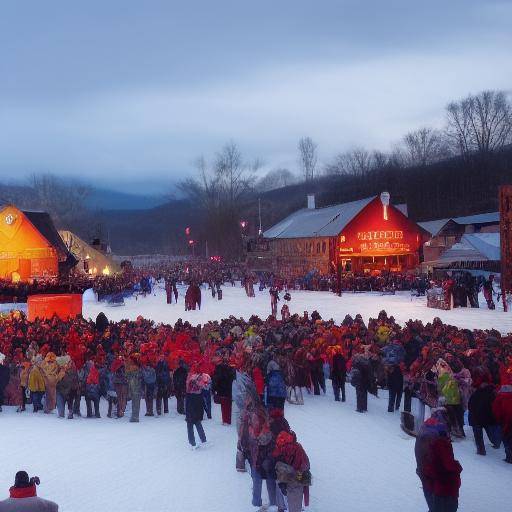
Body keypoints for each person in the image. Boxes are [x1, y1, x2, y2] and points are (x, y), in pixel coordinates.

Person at [414, 413, 462, 512]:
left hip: (427, 482)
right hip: (442, 488)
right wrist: (457, 467)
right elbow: (448, 467)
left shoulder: (422, 439)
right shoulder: (440, 443)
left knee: (433, 507)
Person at [273, 430, 311, 512]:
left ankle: (282, 508)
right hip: (299, 477)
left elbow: (279, 467)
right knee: (295, 503)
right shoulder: (298, 446)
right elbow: (306, 464)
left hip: (290, 478)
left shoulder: (281, 448)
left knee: (288, 495)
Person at [185, 365, 208, 449]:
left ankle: (193, 442)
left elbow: (203, 386)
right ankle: (201, 440)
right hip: (195, 398)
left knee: (191, 421)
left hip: (191, 399)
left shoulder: (191, 376)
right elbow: (205, 386)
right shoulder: (199, 376)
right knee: (195, 421)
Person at [492, 375, 512, 463]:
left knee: (506, 439)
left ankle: (509, 457)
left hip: (504, 421)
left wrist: (498, 419)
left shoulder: (499, 396)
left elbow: (495, 410)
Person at [213, 357, 235, 425]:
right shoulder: (230, 368)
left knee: (224, 406)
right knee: (228, 405)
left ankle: (225, 420)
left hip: (222, 389)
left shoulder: (218, 368)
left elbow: (217, 379)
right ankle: (228, 420)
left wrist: (214, 388)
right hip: (228, 389)